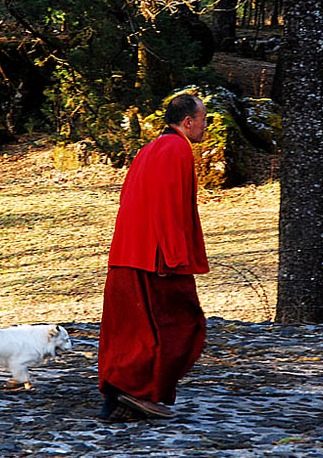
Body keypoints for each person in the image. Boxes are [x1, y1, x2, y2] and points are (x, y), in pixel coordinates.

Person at [97, 93, 210, 422]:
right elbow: (167, 205)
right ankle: (136, 393)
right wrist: (173, 257)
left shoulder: (150, 148)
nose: (206, 125)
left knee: (130, 330)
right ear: (187, 122)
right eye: (203, 118)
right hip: (154, 259)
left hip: (129, 253)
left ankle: (119, 401)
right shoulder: (176, 149)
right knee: (181, 325)